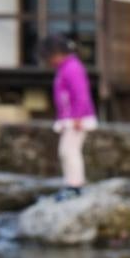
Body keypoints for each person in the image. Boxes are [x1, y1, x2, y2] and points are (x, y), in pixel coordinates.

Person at [37, 34, 97, 200]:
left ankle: (75, 185)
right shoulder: (65, 68)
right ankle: (72, 183)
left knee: (69, 151)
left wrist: (77, 117)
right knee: (66, 151)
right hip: (70, 117)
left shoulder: (72, 68)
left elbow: (81, 95)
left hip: (77, 118)